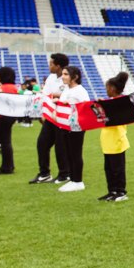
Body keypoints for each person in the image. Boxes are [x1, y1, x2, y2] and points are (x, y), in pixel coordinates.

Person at [30, 53, 70, 184]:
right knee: (42, 144)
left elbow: (68, 95)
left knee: (61, 146)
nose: (49, 66)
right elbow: (45, 95)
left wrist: (56, 95)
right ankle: (44, 173)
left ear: (58, 66)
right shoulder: (51, 78)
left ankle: (64, 174)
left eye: (51, 63)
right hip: (51, 117)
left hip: (63, 118)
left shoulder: (68, 76)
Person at [58, 66, 90, 193]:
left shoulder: (80, 91)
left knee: (75, 153)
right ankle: (72, 179)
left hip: (76, 127)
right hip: (65, 125)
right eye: (63, 74)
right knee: (68, 153)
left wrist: (70, 105)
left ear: (75, 77)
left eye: (66, 74)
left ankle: (78, 181)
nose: (63, 76)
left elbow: (86, 108)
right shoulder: (66, 89)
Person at [99, 72, 130, 202]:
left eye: (107, 87)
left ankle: (121, 192)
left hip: (117, 140)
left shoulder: (121, 102)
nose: (106, 90)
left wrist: (104, 106)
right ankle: (112, 191)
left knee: (118, 169)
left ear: (112, 88)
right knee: (109, 168)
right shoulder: (110, 102)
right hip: (107, 141)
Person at [0, 66, 20, 175]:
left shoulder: (3, 88)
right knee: (6, 142)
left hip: (2, 117)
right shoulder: (13, 87)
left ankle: (6, 167)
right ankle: (8, 166)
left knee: (5, 143)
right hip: (8, 117)